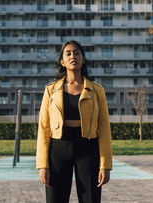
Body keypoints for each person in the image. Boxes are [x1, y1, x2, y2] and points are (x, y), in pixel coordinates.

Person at [36, 40, 112, 203]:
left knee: (90, 199)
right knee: (55, 199)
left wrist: (105, 165)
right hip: (58, 148)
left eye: (77, 53)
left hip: (88, 148)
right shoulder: (51, 90)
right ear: (62, 61)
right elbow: (43, 128)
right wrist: (43, 165)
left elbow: (105, 129)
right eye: (68, 53)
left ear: (83, 59)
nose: (73, 56)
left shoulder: (97, 90)